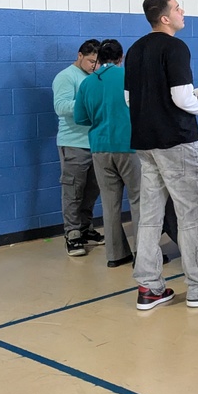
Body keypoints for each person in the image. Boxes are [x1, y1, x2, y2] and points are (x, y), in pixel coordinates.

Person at [124, 0, 198, 311]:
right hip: (176, 141)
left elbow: (129, 99)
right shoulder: (175, 47)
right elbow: (182, 98)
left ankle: (149, 287)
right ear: (164, 18)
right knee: (190, 215)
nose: (182, 12)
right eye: (177, 8)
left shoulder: (134, 50)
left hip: (145, 143)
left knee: (150, 215)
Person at [74, 39, 141, 268]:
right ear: (121, 58)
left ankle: (115, 255)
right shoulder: (129, 78)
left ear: (99, 59)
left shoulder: (87, 84)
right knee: (139, 200)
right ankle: (143, 256)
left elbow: (81, 118)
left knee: (110, 203)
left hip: (100, 148)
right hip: (129, 146)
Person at [52, 39, 103, 257]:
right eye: (91, 61)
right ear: (80, 55)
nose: (94, 66)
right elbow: (61, 106)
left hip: (96, 142)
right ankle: (72, 234)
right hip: (73, 143)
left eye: (98, 63)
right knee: (73, 191)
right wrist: (88, 103)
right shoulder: (66, 77)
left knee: (92, 190)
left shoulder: (96, 78)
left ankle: (85, 227)